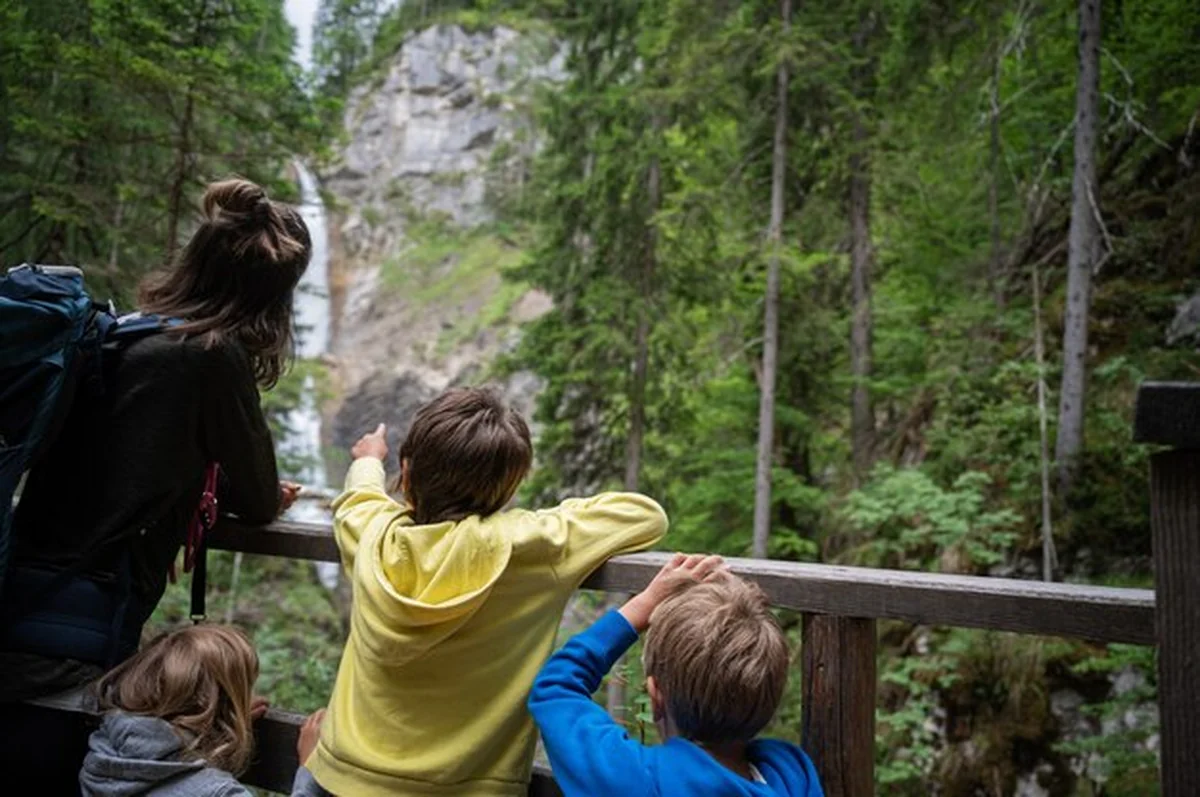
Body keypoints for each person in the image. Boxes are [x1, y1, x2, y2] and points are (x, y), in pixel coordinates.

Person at [0, 177, 309, 792]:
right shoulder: (211, 356)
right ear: (273, 298)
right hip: (80, 631)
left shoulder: (128, 330)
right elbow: (254, 495)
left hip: (22, 598)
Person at [304, 386, 668, 796]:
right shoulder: (532, 546)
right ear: (509, 490)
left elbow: (360, 497)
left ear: (406, 475)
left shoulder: (372, 534)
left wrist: (370, 459)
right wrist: (531, 519)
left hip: (345, 778)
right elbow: (646, 516)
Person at [528, 554, 825, 797]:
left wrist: (638, 608)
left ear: (656, 695)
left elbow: (555, 688)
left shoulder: (636, 780)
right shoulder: (792, 774)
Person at [79, 624, 325, 796]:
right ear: (216, 706)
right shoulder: (215, 791)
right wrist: (311, 771)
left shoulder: (102, 757)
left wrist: (220, 723)